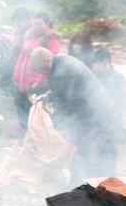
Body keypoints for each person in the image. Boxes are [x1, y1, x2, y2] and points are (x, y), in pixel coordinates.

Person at [29, 47, 117, 183]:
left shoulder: (60, 74)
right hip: (99, 114)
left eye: (42, 71)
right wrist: (48, 96)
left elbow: (67, 107)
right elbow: (67, 93)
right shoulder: (62, 61)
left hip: (95, 118)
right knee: (95, 158)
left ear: (46, 62)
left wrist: (62, 128)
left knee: (92, 158)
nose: (43, 75)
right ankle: (95, 188)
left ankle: (94, 191)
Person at [11, 17, 62, 131]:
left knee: (35, 112)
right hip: (21, 80)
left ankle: (36, 136)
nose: (36, 26)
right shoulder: (29, 36)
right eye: (34, 24)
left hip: (36, 82)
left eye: (39, 24)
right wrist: (16, 76)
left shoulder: (51, 39)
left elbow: (49, 63)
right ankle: (25, 134)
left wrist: (39, 82)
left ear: (47, 24)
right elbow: (21, 57)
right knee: (21, 107)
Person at [89, 48, 126, 121]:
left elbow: (125, 101)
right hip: (93, 119)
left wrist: (115, 111)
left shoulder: (118, 79)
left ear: (105, 64)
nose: (92, 67)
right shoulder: (93, 77)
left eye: (95, 64)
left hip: (110, 121)